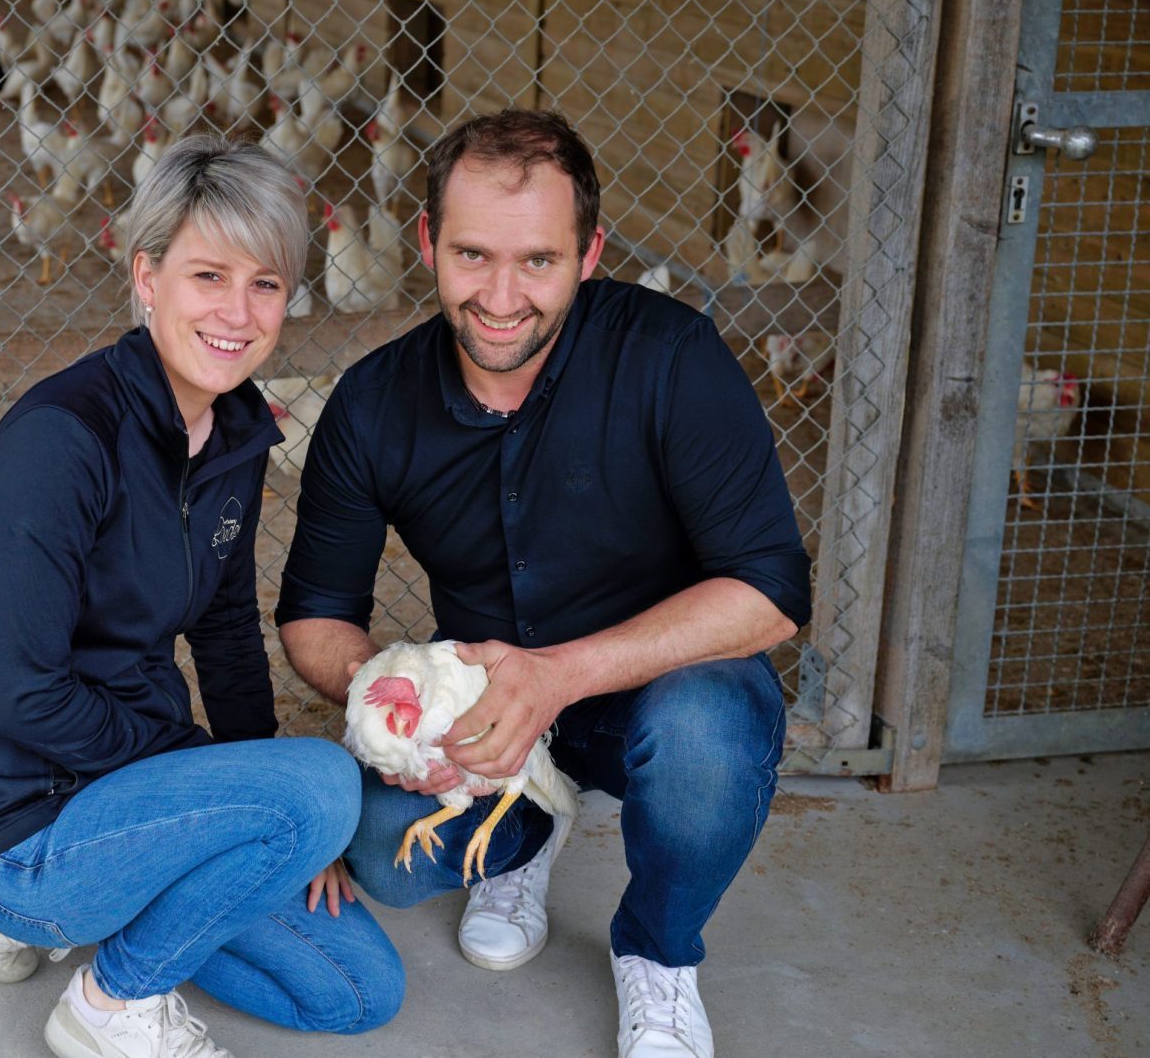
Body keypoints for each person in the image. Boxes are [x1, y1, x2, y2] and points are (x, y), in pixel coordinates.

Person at [276, 108, 811, 1058]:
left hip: (659, 693)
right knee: (381, 851)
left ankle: (657, 951)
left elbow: (769, 590)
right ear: (429, 243)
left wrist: (555, 676)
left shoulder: (672, 357)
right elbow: (317, 617)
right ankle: (521, 838)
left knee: (707, 736)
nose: (501, 296)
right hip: (483, 721)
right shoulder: (372, 402)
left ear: (590, 251)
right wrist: (404, 706)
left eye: (539, 261)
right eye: (473, 255)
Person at [0, 134, 404, 1058]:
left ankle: (114, 914)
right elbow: (22, 694)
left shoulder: (234, 428)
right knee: (324, 781)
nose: (238, 311)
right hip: (23, 828)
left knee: (355, 992)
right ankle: (106, 1000)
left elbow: (224, 627)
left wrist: (268, 808)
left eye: (265, 283)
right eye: (207, 276)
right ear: (147, 277)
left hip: (134, 795)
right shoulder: (59, 443)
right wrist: (251, 786)